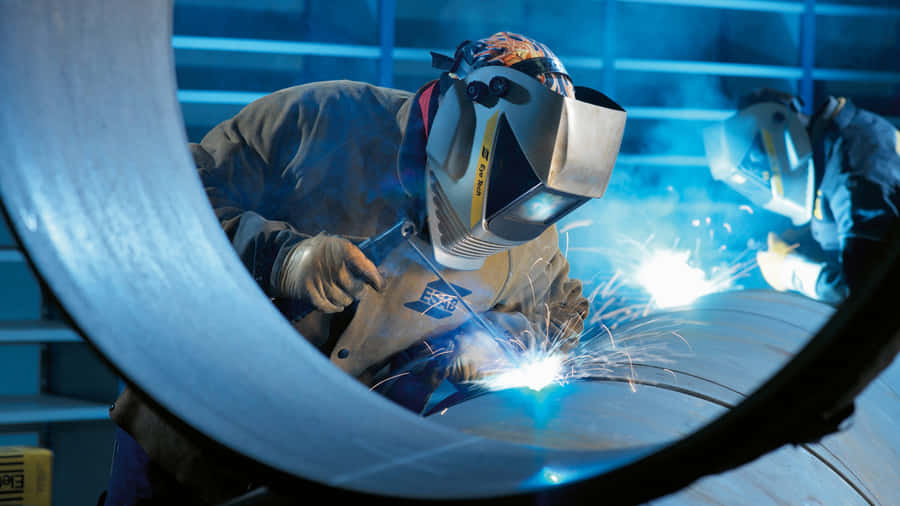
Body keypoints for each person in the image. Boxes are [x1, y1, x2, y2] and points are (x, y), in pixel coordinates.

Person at [103, 31, 626, 505]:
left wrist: (509, 343)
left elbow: (562, 314)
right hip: (188, 442)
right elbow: (158, 198)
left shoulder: (529, 229)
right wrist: (277, 256)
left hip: (336, 471)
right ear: (466, 114)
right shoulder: (319, 120)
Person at [703, 88, 900, 304]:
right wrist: (809, 239)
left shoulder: (854, 163)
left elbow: (867, 295)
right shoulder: (829, 153)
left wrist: (790, 271)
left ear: (779, 123)